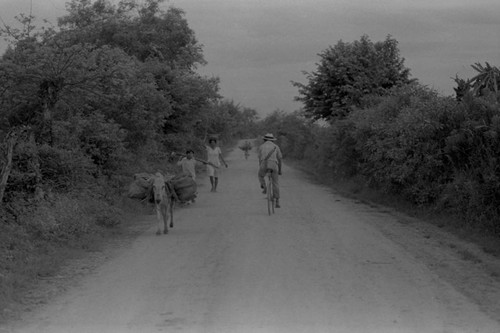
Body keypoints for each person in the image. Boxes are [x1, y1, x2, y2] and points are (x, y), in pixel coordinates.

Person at [257, 133, 283, 208]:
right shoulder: (276, 146)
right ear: (272, 140)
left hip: (264, 164)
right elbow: (280, 159)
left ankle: (264, 187)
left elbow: (260, 159)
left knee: (260, 175)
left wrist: (261, 167)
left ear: (264, 140)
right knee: (275, 182)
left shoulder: (261, 146)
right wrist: (280, 170)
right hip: (273, 164)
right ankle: (277, 201)